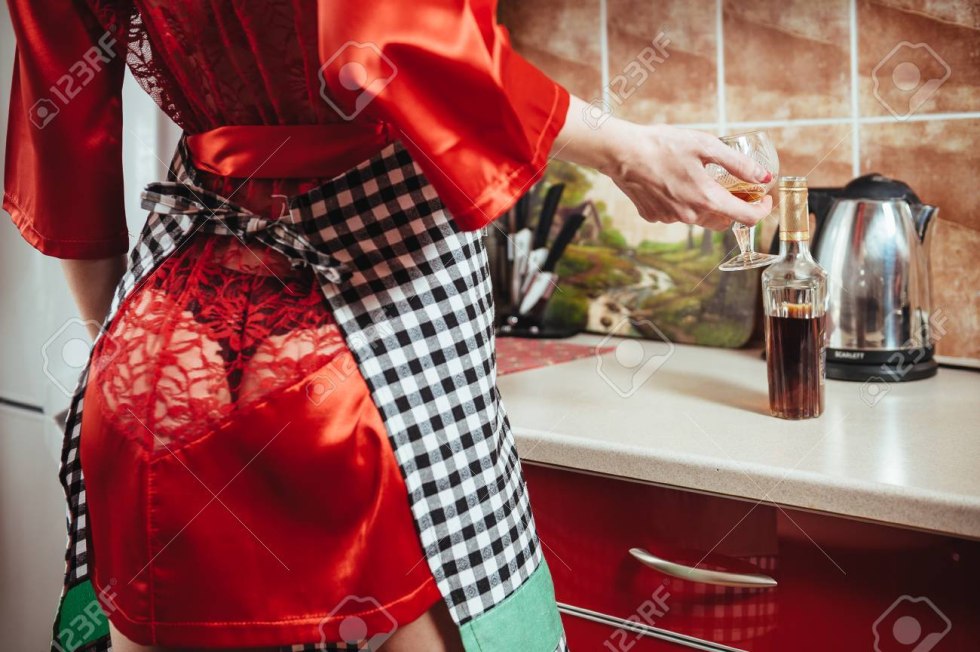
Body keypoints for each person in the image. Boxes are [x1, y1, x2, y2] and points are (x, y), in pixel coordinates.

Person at [3, 1, 772, 651]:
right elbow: (388, 34)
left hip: (156, 356)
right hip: (365, 361)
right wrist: (626, 151)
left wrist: (128, 350)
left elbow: (66, 144)